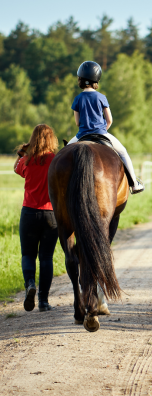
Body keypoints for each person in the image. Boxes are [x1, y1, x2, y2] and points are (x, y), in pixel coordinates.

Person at [67, 61, 144, 194]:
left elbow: (77, 123)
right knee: (123, 152)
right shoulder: (101, 97)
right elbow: (109, 120)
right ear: (96, 80)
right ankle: (134, 184)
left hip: (82, 135)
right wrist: (103, 130)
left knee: (65, 152)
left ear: (80, 79)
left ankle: (63, 186)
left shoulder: (78, 98)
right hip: (102, 133)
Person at [14, 124, 59, 312]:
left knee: (28, 255)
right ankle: (43, 301)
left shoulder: (26, 160)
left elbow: (17, 168)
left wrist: (23, 152)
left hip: (29, 213)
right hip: (50, 215)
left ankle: (30, 284)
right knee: (46, 257)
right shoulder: (55, 160)